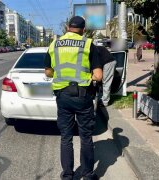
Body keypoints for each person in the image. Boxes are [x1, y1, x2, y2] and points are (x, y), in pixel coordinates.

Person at [45, 16, 102, 180]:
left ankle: (68, 175)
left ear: (67, 28)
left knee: (66, 137)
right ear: (83, 29)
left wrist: (60, 74)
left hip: (63, 96)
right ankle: (88, 174)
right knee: (85, 137)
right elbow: (98, 76)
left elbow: (48, 72)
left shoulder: (54, 44)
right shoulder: (89, 44)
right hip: (83, 97)